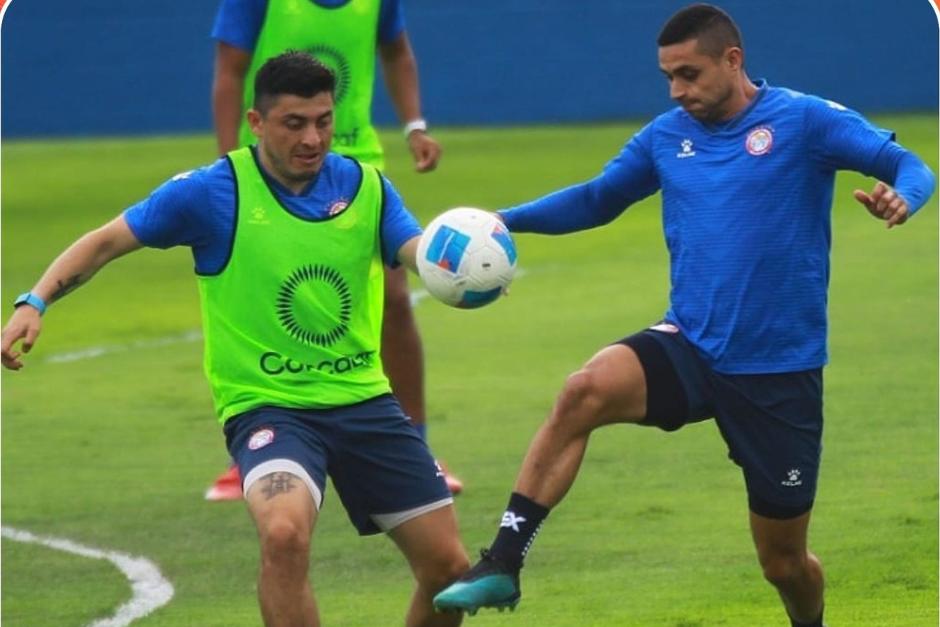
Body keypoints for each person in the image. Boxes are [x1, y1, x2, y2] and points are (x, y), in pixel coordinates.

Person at [431, 4, 935, 625]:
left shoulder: (804, 120)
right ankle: (503, 563)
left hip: (778, 372)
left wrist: (903, 197)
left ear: (733, 60)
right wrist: (504, 221)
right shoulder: (667, 137)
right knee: (583, 391)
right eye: (668, 76)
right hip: (690, 344)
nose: (677, 90)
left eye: (689, 74)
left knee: (784, 564)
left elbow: (909, 165)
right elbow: (598, 198)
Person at [2, 51, 469, 627]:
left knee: (450, 572)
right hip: (269, 409)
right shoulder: (210, 193)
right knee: (284, 533)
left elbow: (415, 252)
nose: (312, 138)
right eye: (294, 123)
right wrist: (35, 301)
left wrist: (460, 266)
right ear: (256, 122)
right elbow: (106, 241)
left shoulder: (366, 186)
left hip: (365, 402)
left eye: (323, 121)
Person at [206, 0, 463, 500]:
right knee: (265, 309)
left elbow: (397, 52)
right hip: (269, 169)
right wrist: (229, 169)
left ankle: (417, 446)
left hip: (355, 163)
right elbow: (229, 72)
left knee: (394, 301)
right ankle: (257, 449)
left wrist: (414, 126)